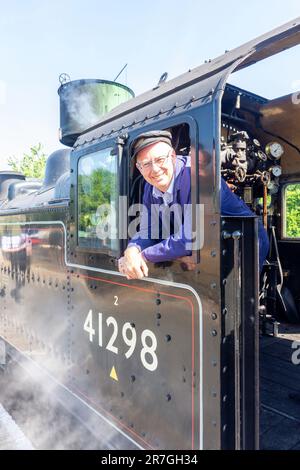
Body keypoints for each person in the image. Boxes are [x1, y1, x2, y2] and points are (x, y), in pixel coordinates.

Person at [118, 130, 269, 279]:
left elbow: (188, 239)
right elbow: (148, 230)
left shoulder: (199, 176)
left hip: (243, 244)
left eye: (159, 160)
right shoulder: (149, 187)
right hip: (207, 248)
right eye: (146, 163)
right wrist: (132, 250)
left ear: (172, 156)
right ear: (139, 168)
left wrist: (142, 256)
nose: (155, 169)